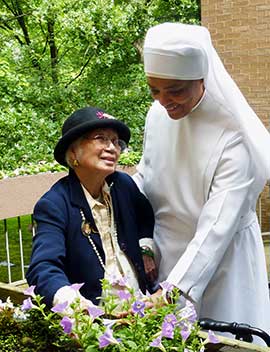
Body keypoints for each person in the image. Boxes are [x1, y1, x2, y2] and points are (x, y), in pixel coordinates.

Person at [133, 22, 270, 341]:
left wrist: (172, 291)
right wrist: (142, 239)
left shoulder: (235, 136)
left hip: (224, 263)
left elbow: (216, 228)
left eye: (175, 90)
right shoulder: (157, 115)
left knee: (225, 339)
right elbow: (146, 177)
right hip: (167, 255)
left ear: (200, 78)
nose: (164, 100)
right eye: (154, 89)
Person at [26, 106, 157, 310]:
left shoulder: (123, 185)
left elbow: (146, 217)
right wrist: (76, 307)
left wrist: (145, 249)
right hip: (96, 318)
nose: (112, 148)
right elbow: (43, 268)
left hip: (142, 306)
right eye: (100, 138)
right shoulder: (54, 204)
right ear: (73, 152)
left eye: (116, 141)